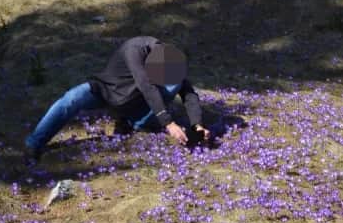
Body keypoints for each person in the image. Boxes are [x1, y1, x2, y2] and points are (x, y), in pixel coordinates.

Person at [24, 37, 211, 163]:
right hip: (107, 91)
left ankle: (134, 122)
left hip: (135, 102)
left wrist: (197, 125)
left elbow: (188, 92)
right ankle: (34, 144)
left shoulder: (167, 59)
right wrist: (168, 123)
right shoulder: (135, 50)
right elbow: (146, 84)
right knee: (70, 100)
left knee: (175, 84)